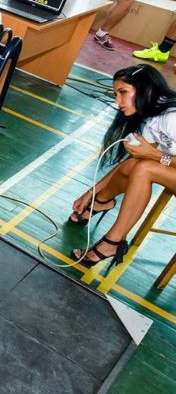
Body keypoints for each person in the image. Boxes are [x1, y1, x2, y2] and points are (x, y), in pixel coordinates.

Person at [69, 64, 176, 269]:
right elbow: (131, 162)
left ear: (146, 89)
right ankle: (100, 201)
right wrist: (91, 192)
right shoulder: (154, 116)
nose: (118, 102)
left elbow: (152, 157)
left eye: (123, 92)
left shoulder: (173, 117)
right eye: (116, 94)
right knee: (135, 165)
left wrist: (154, 155)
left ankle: (113, 242)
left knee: (145, 167)